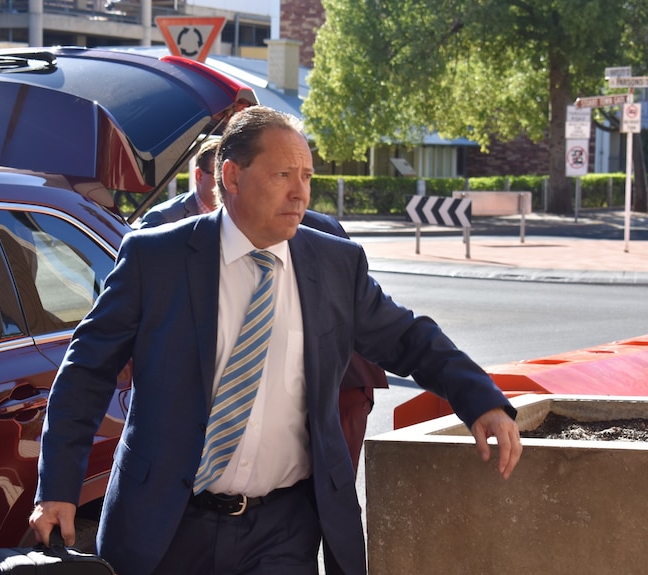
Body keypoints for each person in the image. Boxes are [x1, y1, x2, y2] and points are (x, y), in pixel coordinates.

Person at [30, 105, 522, 575]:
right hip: (166, 522)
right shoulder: (155, 259)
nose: (300, 194)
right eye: (283, 175)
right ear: (232, 177)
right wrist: (58, 487)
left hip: (283, 530)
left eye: (307, 177)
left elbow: (408, 337)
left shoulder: (335, 264)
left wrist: (481, 400)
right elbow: (86, 371)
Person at [140, 137, 386, 478]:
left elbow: (365, 312)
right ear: (215, 177)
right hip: (228, 391)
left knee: (331, 480)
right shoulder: (165, 225)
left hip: (343, 382)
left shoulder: (319, 231)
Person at [139, 137, 221, 228]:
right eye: (220, 176)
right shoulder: (162, 219)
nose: (228, 183)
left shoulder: (235, 216)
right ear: (199, 176)